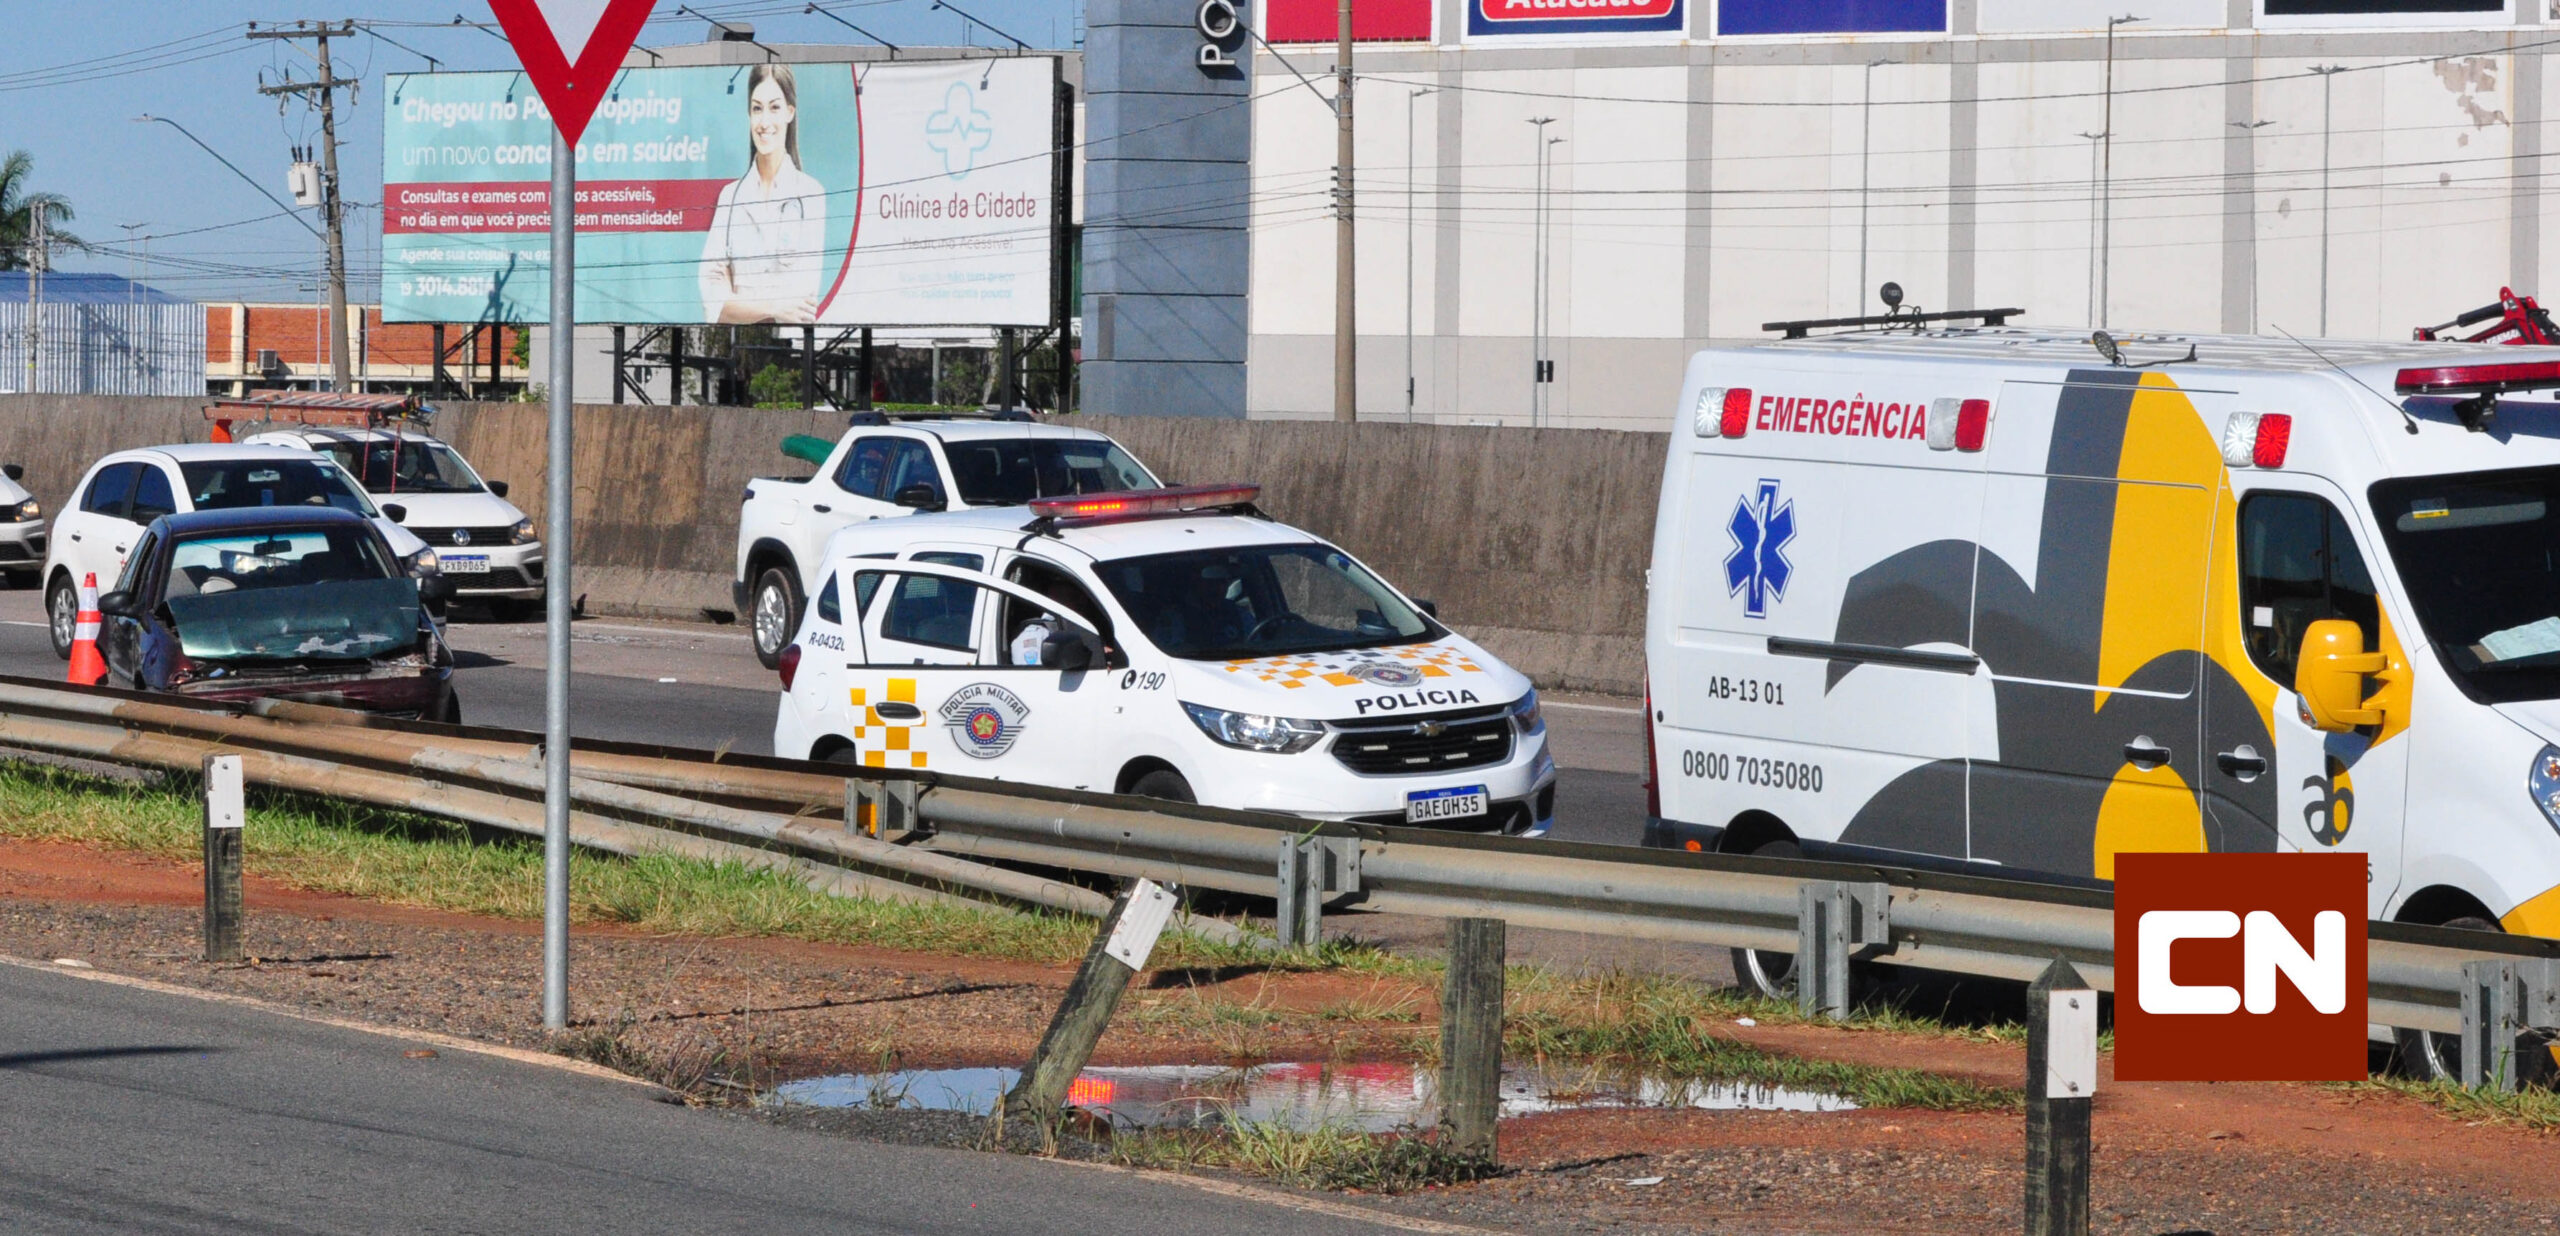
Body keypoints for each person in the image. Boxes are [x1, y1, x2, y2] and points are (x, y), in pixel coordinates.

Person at [700, 64, 828, 323]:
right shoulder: (730, 196)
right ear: (749, 114)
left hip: (793, 346)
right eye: (757, 108)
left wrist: (735, 298)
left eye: (774, 107)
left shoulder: (811, 194)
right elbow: (711, 297)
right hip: (735, 343)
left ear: (790, 112)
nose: (764, 122)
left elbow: (802, 299)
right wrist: (774, 306)